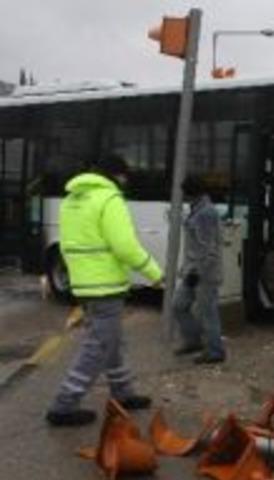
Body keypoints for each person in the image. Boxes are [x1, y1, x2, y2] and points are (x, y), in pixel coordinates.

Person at [46, 155, 163, 427]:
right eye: (124, 175)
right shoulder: (109, 200)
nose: (126, 180)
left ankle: (123, 393)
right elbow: (125, 246)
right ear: (115, 175)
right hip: (106, 285)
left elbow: (66, 245)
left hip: (85, 284)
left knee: (112, 341)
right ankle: (63, 405)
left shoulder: (72, 199)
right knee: (97, 346)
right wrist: (156, 274)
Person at [172, 175, 225, 364]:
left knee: (207, 313)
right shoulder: (198, 210)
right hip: (194, 271)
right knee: (178, 306)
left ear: (191, 193)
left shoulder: (206, 213)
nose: (184, 197)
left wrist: (197, 272)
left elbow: (209, 250)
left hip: (205, 274)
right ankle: (193, 341)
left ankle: (215, 351)